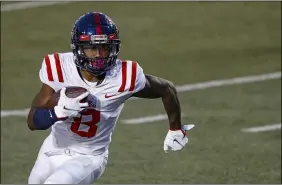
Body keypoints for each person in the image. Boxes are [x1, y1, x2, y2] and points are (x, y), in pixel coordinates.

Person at [27, 12, 194, 184]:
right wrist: (58, 112)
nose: (99, 55)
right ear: (78, 48)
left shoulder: (124, 77)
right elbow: (32, 121)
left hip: (89, 156)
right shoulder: (59, 68)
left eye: (105, 47)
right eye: (92, 48)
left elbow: (167, 89)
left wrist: (176, 129)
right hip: (53, 148)